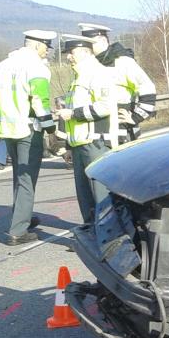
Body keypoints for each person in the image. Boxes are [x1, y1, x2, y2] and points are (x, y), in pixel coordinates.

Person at [0, 30, 56, 245]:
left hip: (6, 128)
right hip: (28, 129)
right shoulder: (37, 68)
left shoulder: (2, 66)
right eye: (46, 47)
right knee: (27, 179)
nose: (47, 51)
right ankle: (18, 231)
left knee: (19, 175)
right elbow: (39, 100)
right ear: (36, 45)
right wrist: (50, 127)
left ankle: (21, 216)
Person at [54, 35, 117, 225]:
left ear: (84, 52)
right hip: (79, 143)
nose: (68, 57)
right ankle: (91, 232)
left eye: (71, 53)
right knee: (85, 197)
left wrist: (74, 114)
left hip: (95, 142)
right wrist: (68, 145)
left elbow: (105, 106)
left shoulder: (98, 73)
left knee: (101, 196)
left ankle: (109, 235)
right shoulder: (78, 77)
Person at [78, 23, 156, 144]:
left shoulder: (122, 61)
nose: (87, 47)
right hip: (97, 133)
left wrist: (136, 117)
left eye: (90, 43)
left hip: (121, 131)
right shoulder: (89, 65)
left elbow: (147, 87)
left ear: (103, 41)